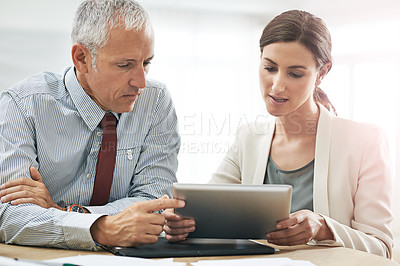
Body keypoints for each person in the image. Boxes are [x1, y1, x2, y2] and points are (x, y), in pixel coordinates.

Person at [162, 10, 394, 258]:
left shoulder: (366, 142)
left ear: (322, 73)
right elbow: (205, 213)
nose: (277, 86)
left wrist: (324, 228)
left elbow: (382, 248)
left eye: (295, 73)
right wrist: (181, 224)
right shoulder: (248, 138)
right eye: (270, 68)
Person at [0, 0, 185, 250]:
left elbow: (154, 203)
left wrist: (65, 212)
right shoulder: (22, 106)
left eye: (147, 63)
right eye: (124, 65)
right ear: (82, 58)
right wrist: (101, 228)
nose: (141, 81)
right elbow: (10, 216)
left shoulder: (156, 102)